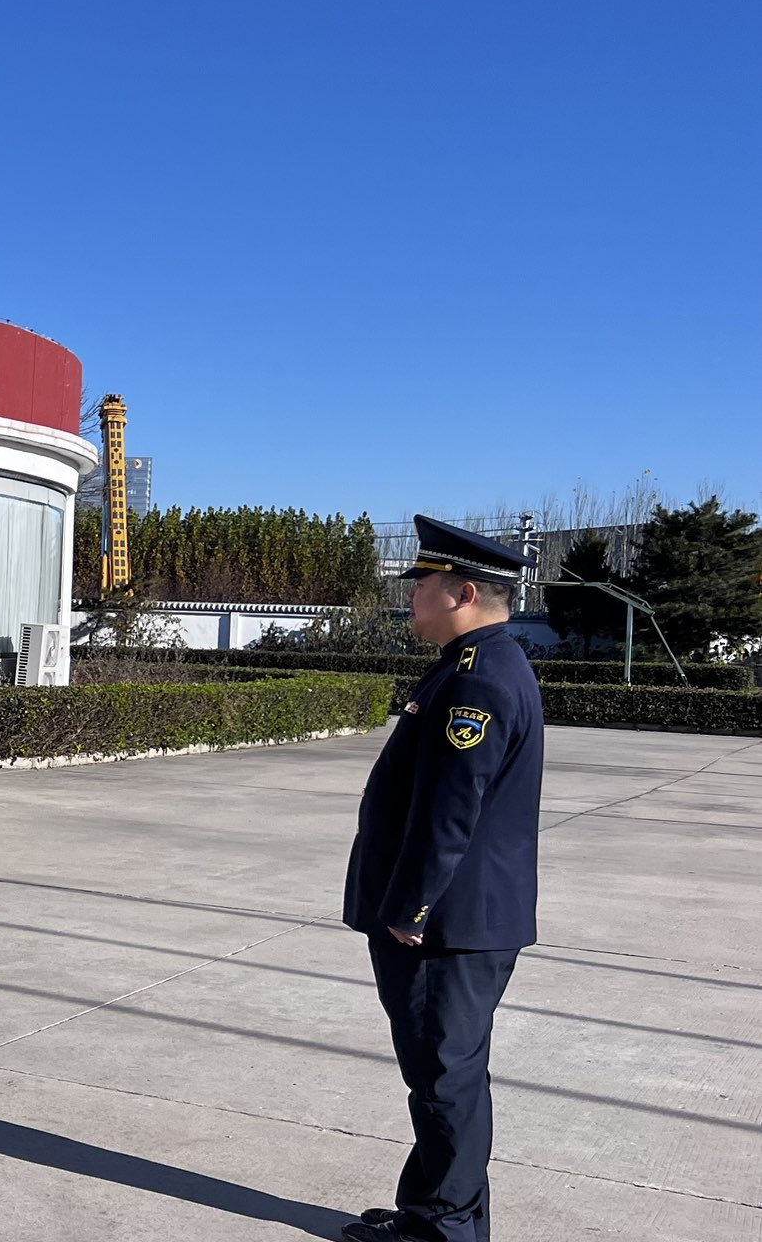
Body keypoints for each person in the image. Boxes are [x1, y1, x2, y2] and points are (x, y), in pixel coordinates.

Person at [340, 516, 543, 1242]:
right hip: (462, 918)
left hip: (444, 925)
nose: (411, 597)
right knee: (448, 1074)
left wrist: (412, 908)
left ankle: (442, 1229)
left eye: (421, 585)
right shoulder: (478, 664)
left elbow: (450, 811)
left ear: (463, 593)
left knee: (443, 1077)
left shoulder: (475, 680)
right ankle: (442, 1213)